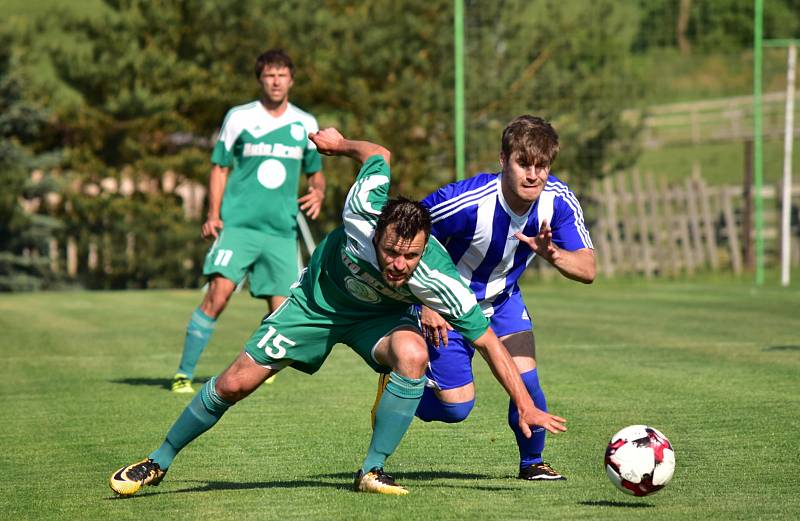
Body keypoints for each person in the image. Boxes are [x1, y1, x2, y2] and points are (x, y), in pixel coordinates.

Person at [109, 127, 567, 497]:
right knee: (234, 383)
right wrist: (338, 145)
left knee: (412, 354)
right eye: (390, 252)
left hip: (379, 321)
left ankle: (372, 471)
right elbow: (379, 152)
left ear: (425, 250)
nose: (398, 265)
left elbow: (488, 340)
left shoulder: (436, 277)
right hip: (316, 305)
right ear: (376, 235)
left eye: (410, 257)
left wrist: (525, 404)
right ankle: (159, 460)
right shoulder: (359, 213)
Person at [413, 115, 595, 481]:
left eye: (542, 166)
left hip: (503, 300)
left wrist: (553, 254)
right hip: (449, 304)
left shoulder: (558, 201)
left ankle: (532, 463)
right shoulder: (464, 201)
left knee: (527, 381)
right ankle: (400, 388)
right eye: (523, 163)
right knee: (455, 408)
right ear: (502, 160)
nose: (533, 175)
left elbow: (587, 269)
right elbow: (407, 231)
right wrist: (427, 300)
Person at [171, 49, 326, 393]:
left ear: (291, 80)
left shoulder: (306, 123)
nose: (276, 81)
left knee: (282, 313)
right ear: (260, 79)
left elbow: (316, 173)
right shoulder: (239, 117)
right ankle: (184, 373)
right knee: (218, 295)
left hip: (281, 231)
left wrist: (318, 192)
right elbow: (219, 167)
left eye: (282, 75)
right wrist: (213, 214)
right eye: (270, 75)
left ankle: (258, 368)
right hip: (239, 226)